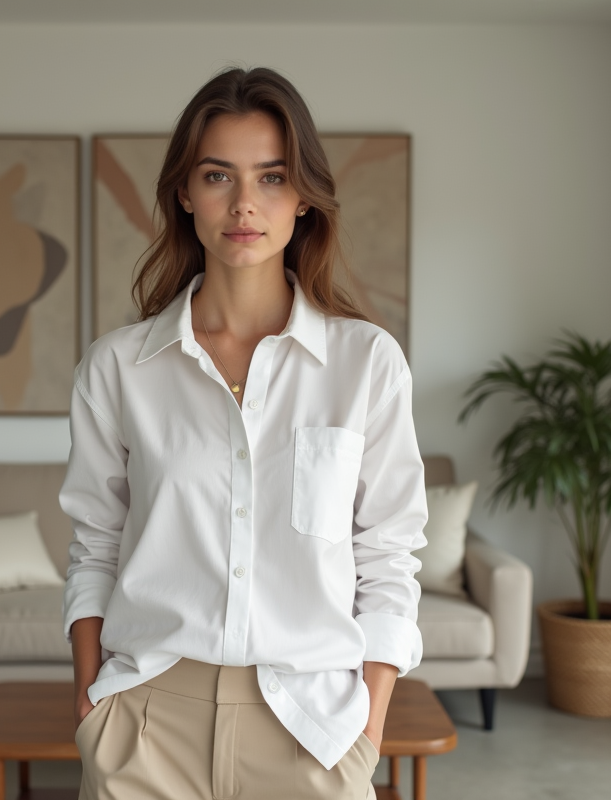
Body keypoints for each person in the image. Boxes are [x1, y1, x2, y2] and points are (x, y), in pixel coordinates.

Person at [60, 66, 427, 800]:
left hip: (311, 731)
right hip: (147, 719)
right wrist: (92, 702)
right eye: (219, 175)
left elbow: (388, 556)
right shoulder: (118, 368)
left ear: (304, 200)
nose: (245, 204)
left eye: (272, 177)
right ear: (184, 194)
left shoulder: (366, 364)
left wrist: (369, 730)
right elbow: (95, 542)